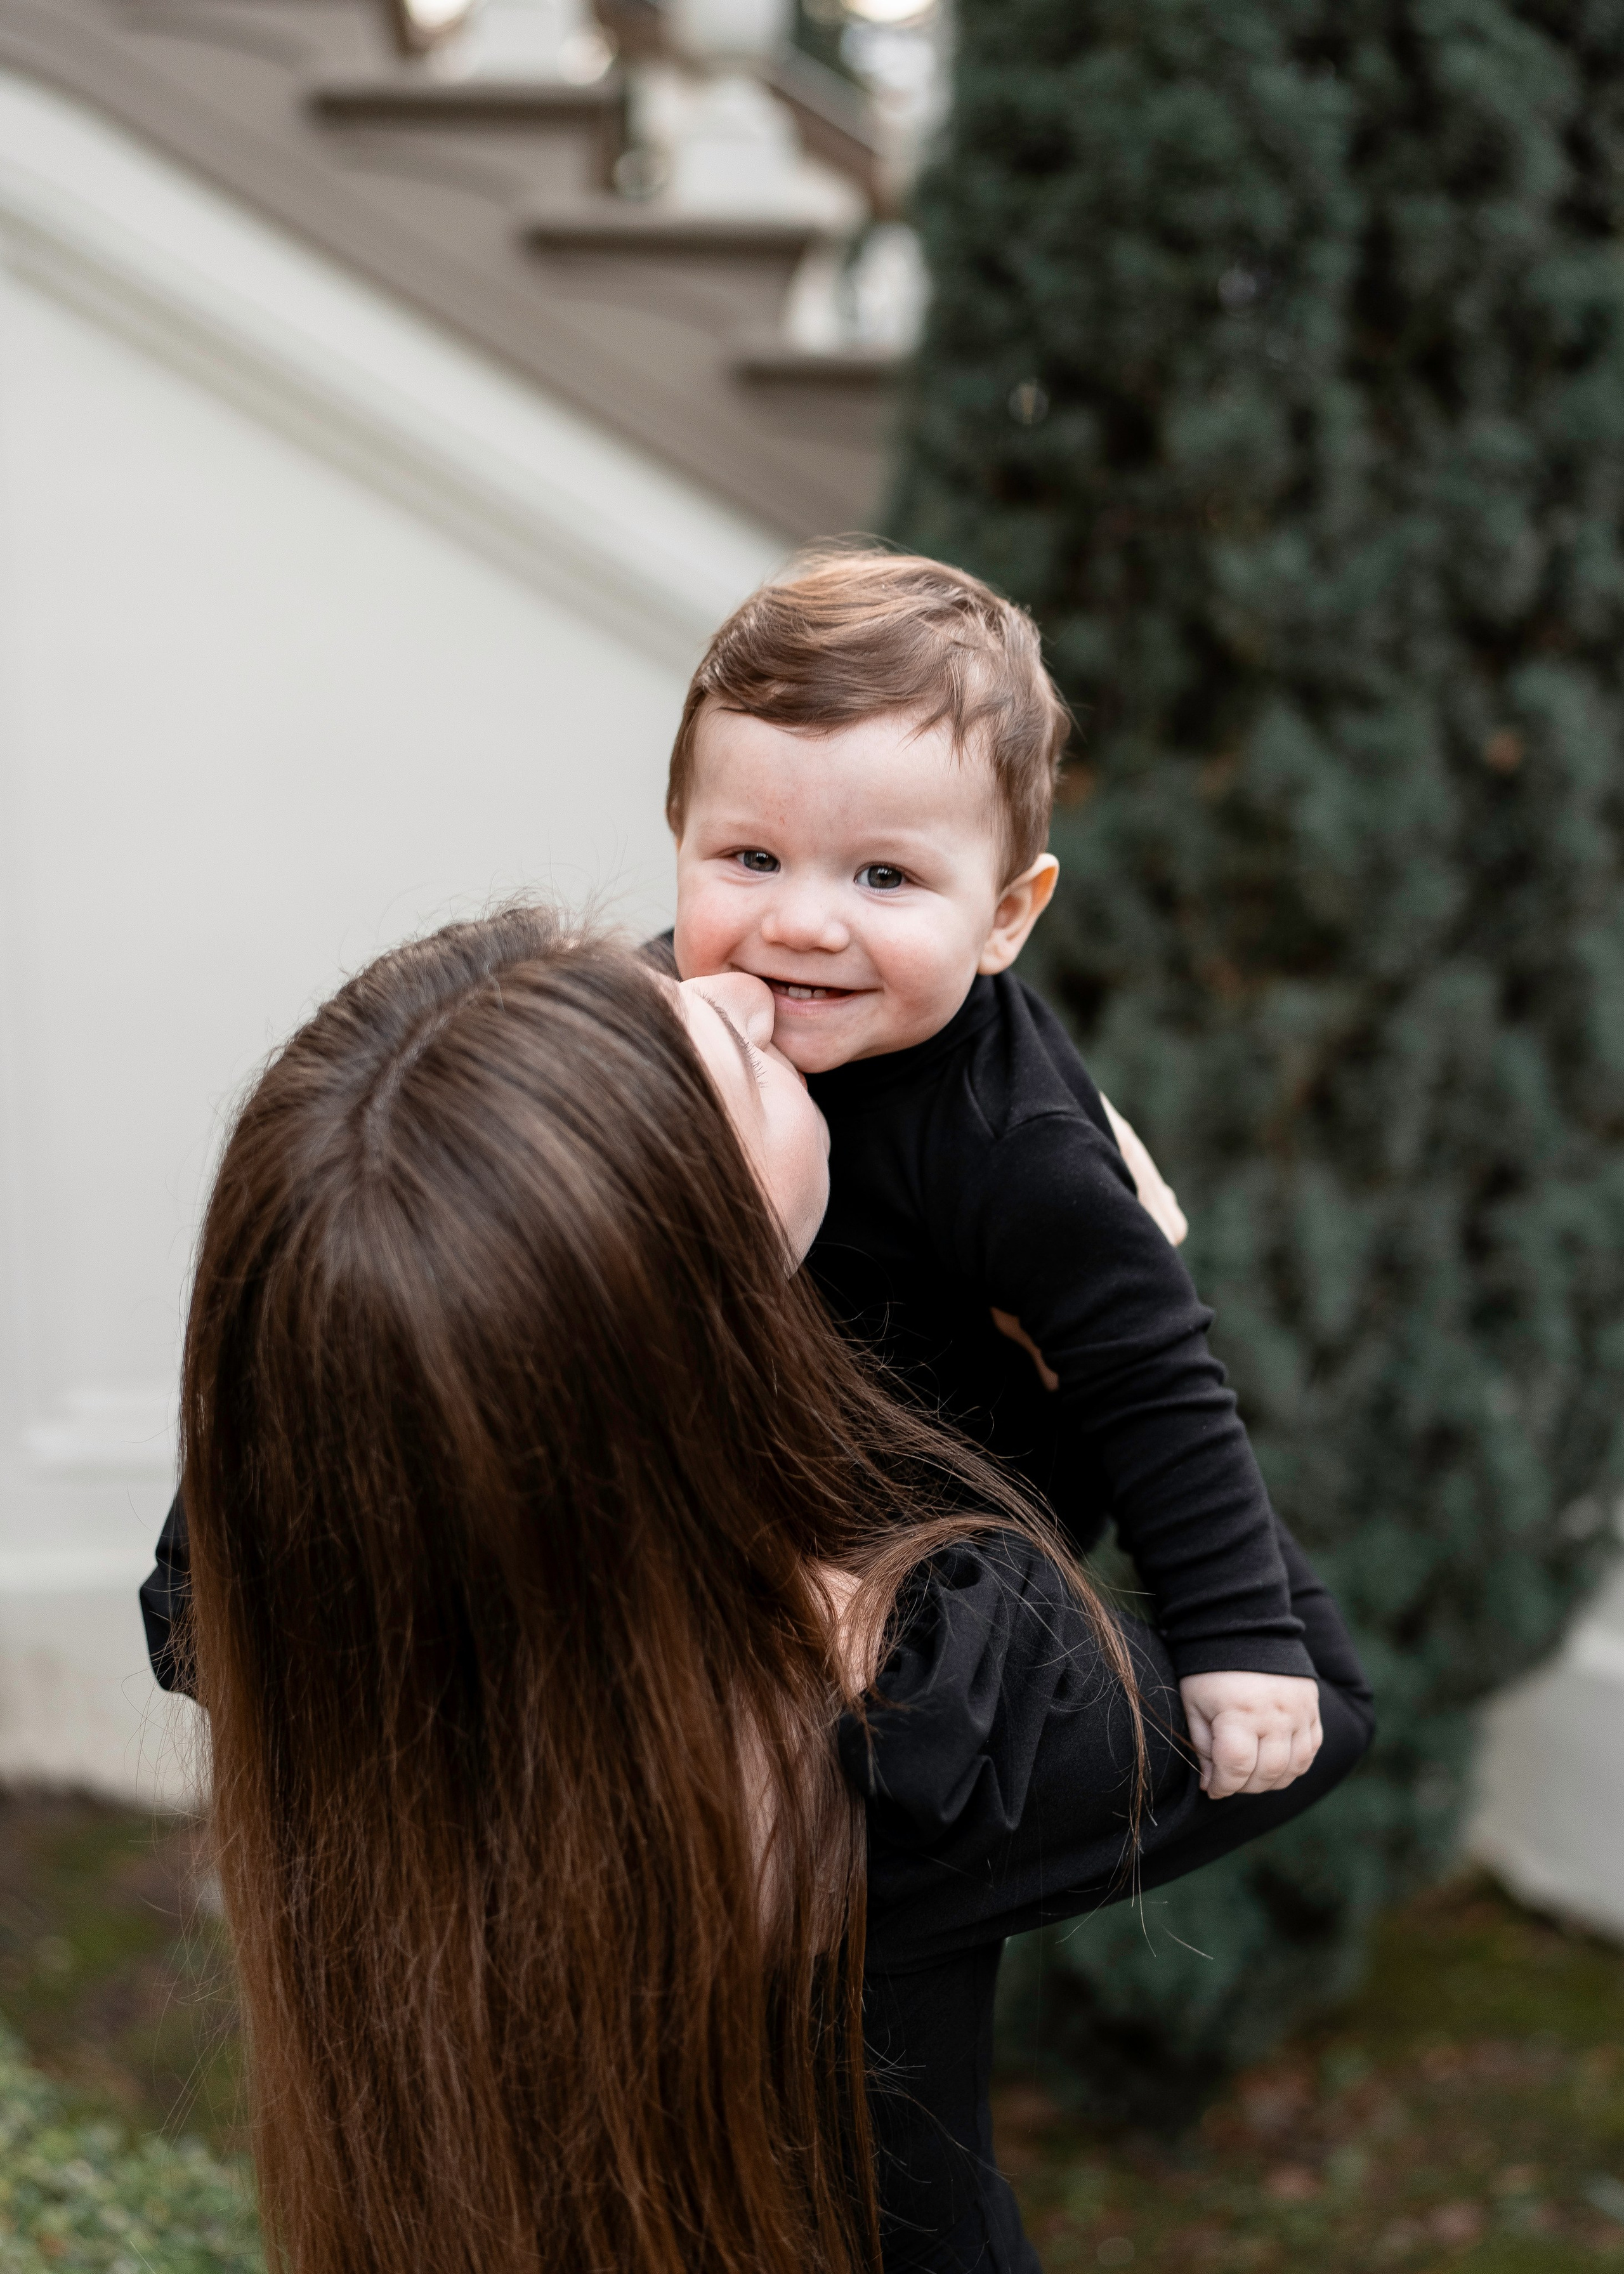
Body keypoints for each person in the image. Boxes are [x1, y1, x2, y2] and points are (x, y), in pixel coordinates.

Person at [146, 906, 1372, 2274]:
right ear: (701, 1285)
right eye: (726, 1059)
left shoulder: (271, 1570)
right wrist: (1113, 1323)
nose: (732, 990)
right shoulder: (926, 1698)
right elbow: (1309, 1700)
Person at [666, 546, 1328, 1804]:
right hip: (744, 1494)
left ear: (1005, 916)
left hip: (935, 1545)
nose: (801, 921)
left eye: (882, 876)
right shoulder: (656, 1021)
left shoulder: (1013, 1140)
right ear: (679, 842)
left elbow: (1151, 1371)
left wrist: (1244, 1639)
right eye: (748, 857)